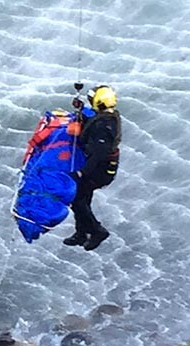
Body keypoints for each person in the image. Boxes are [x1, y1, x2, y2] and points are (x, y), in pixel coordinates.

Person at [63, 84, 122, 252]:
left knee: (77, 199)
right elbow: (91, 122)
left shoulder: (105, 127)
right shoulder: (106, 117)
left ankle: (97, 231)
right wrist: (81, 110)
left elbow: (99, 155)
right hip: (96, 167)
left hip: (101, 170)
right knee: (83, 199)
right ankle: (81, 233)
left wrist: (81, 173)